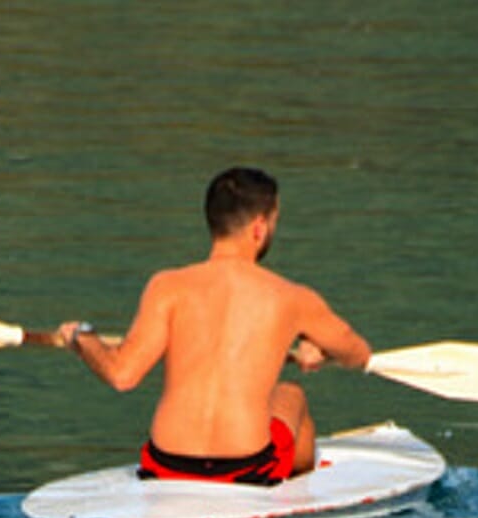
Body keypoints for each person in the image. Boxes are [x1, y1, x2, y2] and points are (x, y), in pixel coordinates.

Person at [56, 167, 371, 485]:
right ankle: (298, 494)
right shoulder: (292, 298)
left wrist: (85, 338)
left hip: (167, 465)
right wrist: (319, 350)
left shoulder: (167, 286)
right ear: (259, 227)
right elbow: (357, 354)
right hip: (246, 469)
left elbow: (121, 374)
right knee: (291, 395)